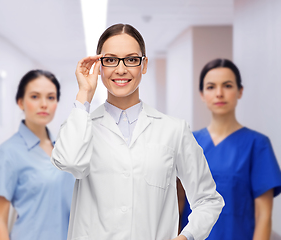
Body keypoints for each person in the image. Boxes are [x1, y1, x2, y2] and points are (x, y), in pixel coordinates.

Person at [51, 23, 224, 240]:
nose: (121, 69)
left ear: (144, 65)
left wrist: (186, 237)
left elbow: (208, 200)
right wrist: (84, 93)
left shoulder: (173, 130)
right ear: (99, 65)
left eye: (131, 59)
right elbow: (70, 162)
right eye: (110, 60)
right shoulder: (81, 124)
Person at [180, 58, 281, 239]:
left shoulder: (257, 145)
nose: (219, 93)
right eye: (211, 87)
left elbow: (263, 216)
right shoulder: (186, 141)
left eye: (227, 86)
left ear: (240, 91)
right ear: (202, 94)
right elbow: (177, 207)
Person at [0, 70, 75, 240]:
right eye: (35, 97)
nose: (44, 104)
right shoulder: (8, 152)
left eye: (51, 97)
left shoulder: (65, 149)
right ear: (20, 102)